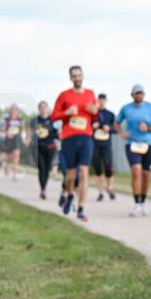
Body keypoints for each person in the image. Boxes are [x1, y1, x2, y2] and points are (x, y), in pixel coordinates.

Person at [51, 66, 98, 222]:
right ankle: (69, 194)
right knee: (71, 175)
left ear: (83, 76)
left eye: (79, 75)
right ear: (70, 78)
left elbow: (96, 113)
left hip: (86, 137)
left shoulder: (90, 93)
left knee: (84, 172)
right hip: (69, 138)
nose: (77, 78)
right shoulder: (64, 95)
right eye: (74, 76)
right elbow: (53, 116)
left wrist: (94, 110)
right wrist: (66, 113)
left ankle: (81, 208)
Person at [114, 84, 151, 216]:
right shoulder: (126, 108)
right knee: (136, 171)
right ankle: (137, 204)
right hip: (132, 144)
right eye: (136, 93)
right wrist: (121, 133)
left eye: (141, 93)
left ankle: (143, 202)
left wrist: (148, 129)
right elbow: (116, 122)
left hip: (148, 144)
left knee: (146, 175)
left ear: (144, 94)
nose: (139, 95)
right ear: (132, 95)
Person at [91, 93, 117, 202]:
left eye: (103, 100)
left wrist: (109, 128)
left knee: (108, 166)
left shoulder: (110, 114)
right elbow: (87, 128)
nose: (101, 101)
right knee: (97, 168)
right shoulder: (93, 114)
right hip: (95, 144)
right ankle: (100, 192)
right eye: (100, 99)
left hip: (106, 144)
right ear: (97, 100)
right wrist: (93, 127)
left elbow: (116, 129)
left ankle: (110, 188)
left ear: (106, 101)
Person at [31, 101, 59, 199]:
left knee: (46, 169)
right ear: (39, 109)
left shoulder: (53, 120)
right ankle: (42, 189)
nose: (43, 109)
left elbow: (57, 133)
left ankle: (44, 188)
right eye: (41, 107)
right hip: (38, 146)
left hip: (50, 147)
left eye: (45, 107)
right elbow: (31, 132)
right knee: (41, 168)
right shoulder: (35, 120)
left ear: (47, 108)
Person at [0, 104, 27, 179]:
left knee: (16, 156)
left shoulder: (20, 120)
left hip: (17, 139)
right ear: (10, 110)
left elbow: (23, 130)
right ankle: (5, 164)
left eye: (15, 109)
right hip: (8, 140)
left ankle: (15, 174)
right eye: (12, 109)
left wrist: (24, 139)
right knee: (9, 157)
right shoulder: (6, 119)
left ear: (17, 111)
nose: (14, 111)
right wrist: (6, 133)